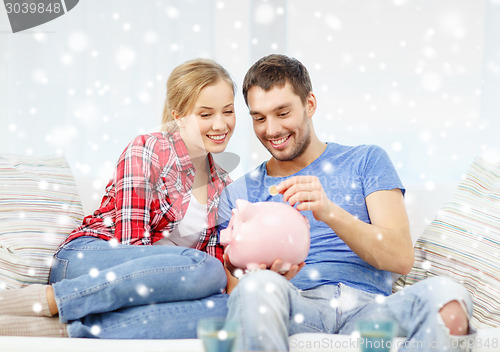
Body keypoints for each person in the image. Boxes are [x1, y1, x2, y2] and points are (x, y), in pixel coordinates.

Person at [218, 54, 475, 352]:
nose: (271, 129)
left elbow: (401, 257)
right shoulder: (239, 193)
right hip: (295, 304)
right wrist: (265, 277)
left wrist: (330, 212)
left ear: (309, 104)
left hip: (371, 311)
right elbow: (237, 297)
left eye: (283, 112)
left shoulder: (366, 160)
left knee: (449, 297)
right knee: (258, 288)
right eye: (259, 118)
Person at [0, 58, 236, 338]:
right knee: (208, 270)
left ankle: (64, 330)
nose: (220, 124)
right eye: (205, 114)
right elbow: (132, 244)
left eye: (228, 111)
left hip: (148, 285)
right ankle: (45, 300)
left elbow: (209, 278)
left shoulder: (224, 186)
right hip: (88, 260)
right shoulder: (147, 149)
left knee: (226, 308)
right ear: (179, 116)